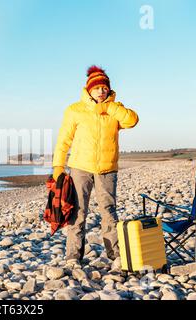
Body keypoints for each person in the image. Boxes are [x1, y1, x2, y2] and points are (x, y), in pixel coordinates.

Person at [52, 65, 139, 262]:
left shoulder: (115, 110)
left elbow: (132, 120)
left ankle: (114, 255)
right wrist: (58, 166)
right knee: (78, 212)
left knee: (108, 212)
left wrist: (109, 106)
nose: (101, 91)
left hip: (107, 170)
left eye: (104, 88)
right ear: (89, 89)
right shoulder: (75, 110)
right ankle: (73, 257)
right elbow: (63, 139)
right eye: (97, 87)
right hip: (80, 169)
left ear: (109, 89)